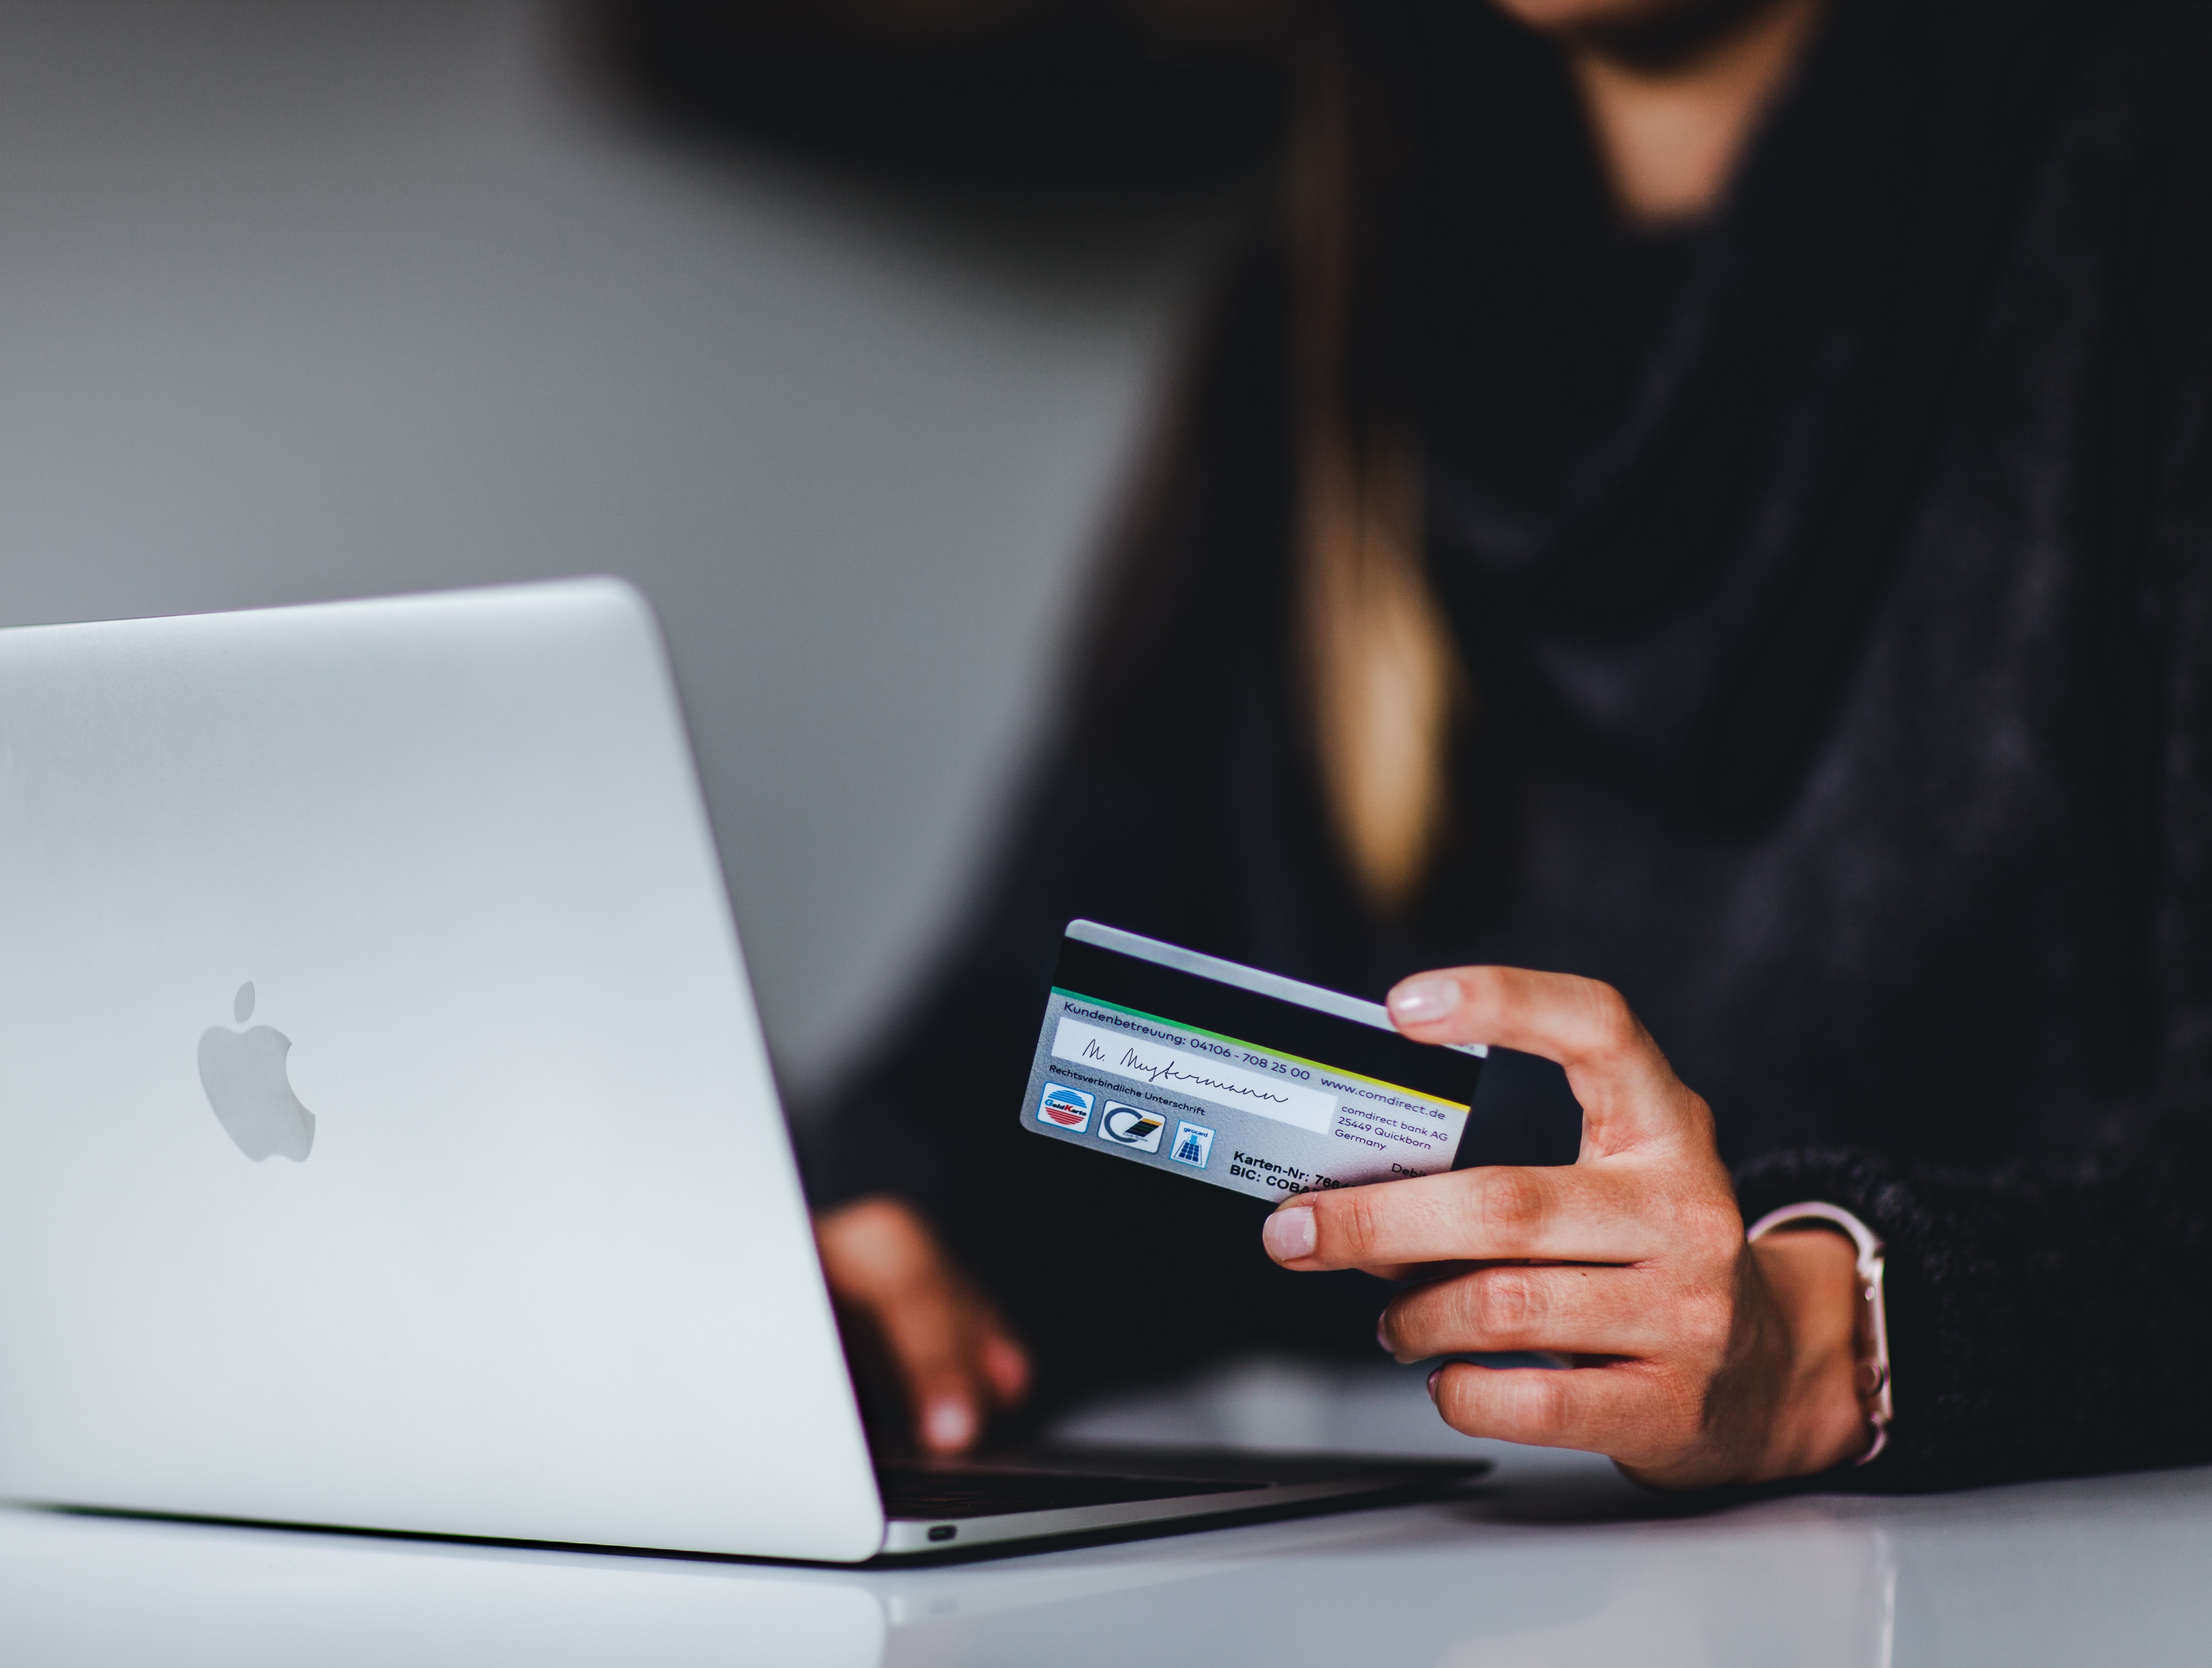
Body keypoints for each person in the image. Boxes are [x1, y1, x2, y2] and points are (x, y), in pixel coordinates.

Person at [801, 0, 2212, 1490]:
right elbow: (1013, 1070)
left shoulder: (2159, 189)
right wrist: (909, 1262)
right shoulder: (1326, 325)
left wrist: (1833, 1332)